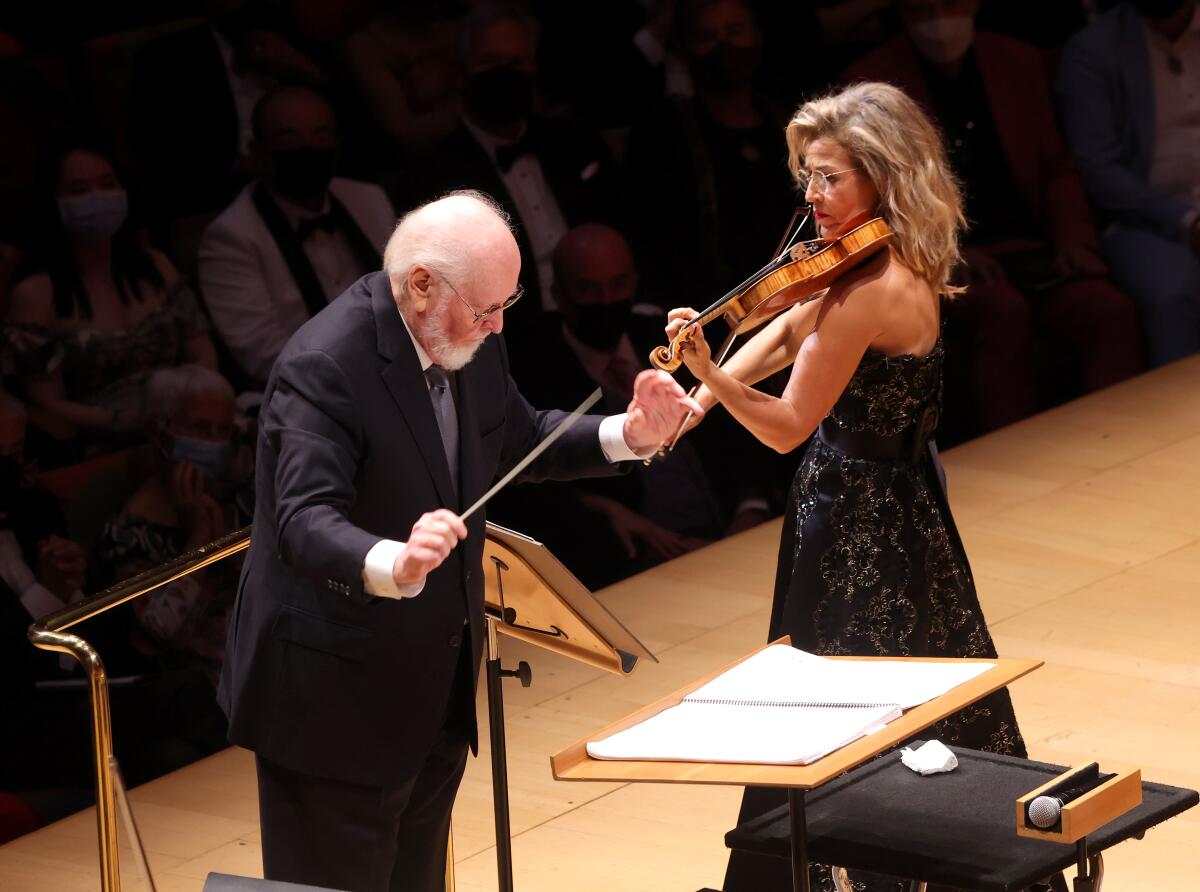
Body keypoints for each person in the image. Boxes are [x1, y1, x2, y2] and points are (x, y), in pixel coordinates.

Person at [217, 189, 702, 892]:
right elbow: (300, 519)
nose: (500, 325)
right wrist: (395, 560)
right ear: (421, 285)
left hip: (432, 689)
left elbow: (519, 437)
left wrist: (629, 435)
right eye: (486, 309)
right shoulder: (325, 366)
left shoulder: (464, 335)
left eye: (507, 304)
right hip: (333, 704)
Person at [664, 82, 1040, 892]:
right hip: (897, 507)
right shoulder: (875, 265)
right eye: (808, 175)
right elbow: (787, 324)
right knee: (910, 691)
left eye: (830, 177)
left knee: (837, 707)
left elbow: (789, 423)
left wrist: (709, 378)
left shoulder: (869, 292)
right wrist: (694, 401)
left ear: (882, 176)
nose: (813, 197)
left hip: (858, 527)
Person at [843, 0, 1143, 438]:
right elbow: (881, 202)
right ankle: (1016, 458)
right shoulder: (872, 84)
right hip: (946, 265)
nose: (940, 19)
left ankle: (1125, 441)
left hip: (1036, 252)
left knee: (1108, 311)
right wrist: (948, 254)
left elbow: (1056, 167)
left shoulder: (1016, 61)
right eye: (924, 8)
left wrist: (1074, 240)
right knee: (1004, 314)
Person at [3, 145, 219, 464]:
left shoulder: (156, 265)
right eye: (79, 190)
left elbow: (201, 348)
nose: (97, 196)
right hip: (108, 446)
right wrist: (126, 422)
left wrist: (200, 403)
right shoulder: (34, 293)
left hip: (193, 423)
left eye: (107, 185)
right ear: (53, 203)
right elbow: (48, 404)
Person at [197, 85, 396, 388]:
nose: (308, 149)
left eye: (321, 135)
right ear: (257, 151)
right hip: (313, 395)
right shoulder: (230, 237)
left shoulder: (367, 198)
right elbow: (264, 354)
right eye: (289, 138)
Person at [1056, 0, 1200, 366]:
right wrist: (1185, 219)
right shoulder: (1094, 50)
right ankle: (1181, 419)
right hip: (1147, 221)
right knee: (1173, 294)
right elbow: (1100, 169)